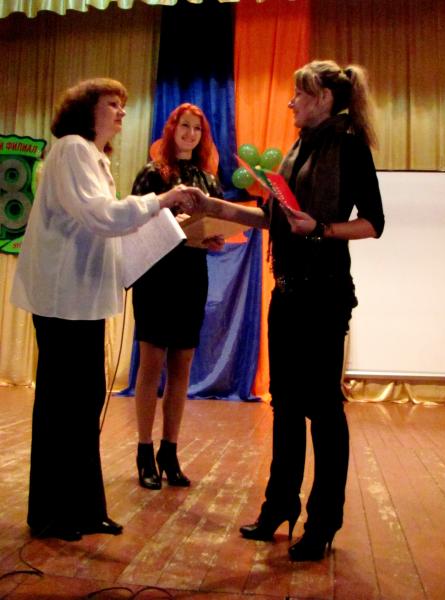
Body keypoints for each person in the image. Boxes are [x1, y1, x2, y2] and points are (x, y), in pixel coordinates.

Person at [191, 60, 385, 561]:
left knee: (323, 409)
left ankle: (323, 522)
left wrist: (320, 229)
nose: (291, 102)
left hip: (325, 295)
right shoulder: (299, 146)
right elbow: (272, 217)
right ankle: (280, 505)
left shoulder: (349, 146)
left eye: (299, 94)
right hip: (288, 292)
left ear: (324, 99)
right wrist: (213, 206)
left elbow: (373, 223)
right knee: (285, 405)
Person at [10, 78, 197, 542]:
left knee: (85, 401)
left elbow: (108, 225)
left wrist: (164, 224)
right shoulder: (73, 149)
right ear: (85, 110)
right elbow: (101, 216)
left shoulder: (93, 157)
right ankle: (51, 514)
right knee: (62, 405)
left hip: (82, 298)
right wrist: (162, 200)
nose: (121, 112)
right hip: (63, 299)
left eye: (123, 105)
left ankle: (84, 506)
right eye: (112, 103)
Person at [131, 103, 224, 491]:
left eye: (197, 129)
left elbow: (215, 224)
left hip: (191, 275)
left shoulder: (207, 179)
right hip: (156, 275)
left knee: (182, 364)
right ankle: (144, 451)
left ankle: (169, 450)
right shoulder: (153, 173)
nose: (190, 134)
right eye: (184, 126)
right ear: (172, 130)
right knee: (151, 362)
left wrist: (215, 237)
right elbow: (135, 222)